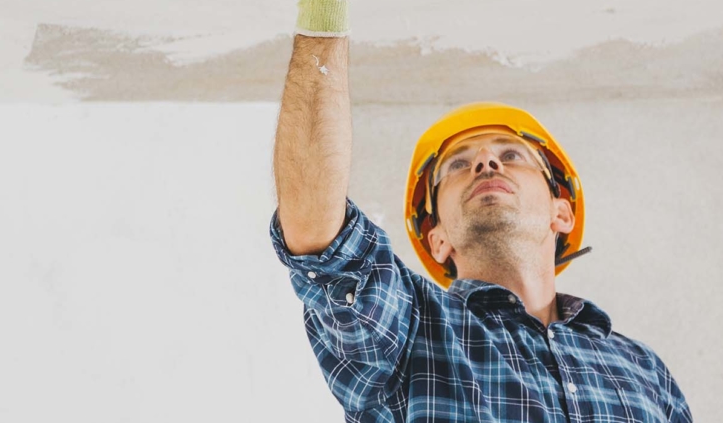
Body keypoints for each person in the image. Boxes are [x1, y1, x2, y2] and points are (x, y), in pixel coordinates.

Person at [269, 1, 692, 421]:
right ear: (437, 239)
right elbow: (320, 237)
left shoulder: (644, 371)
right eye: (457, 165)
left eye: (512, 155)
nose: (486, 162)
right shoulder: (411, 329)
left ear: (561, 213)